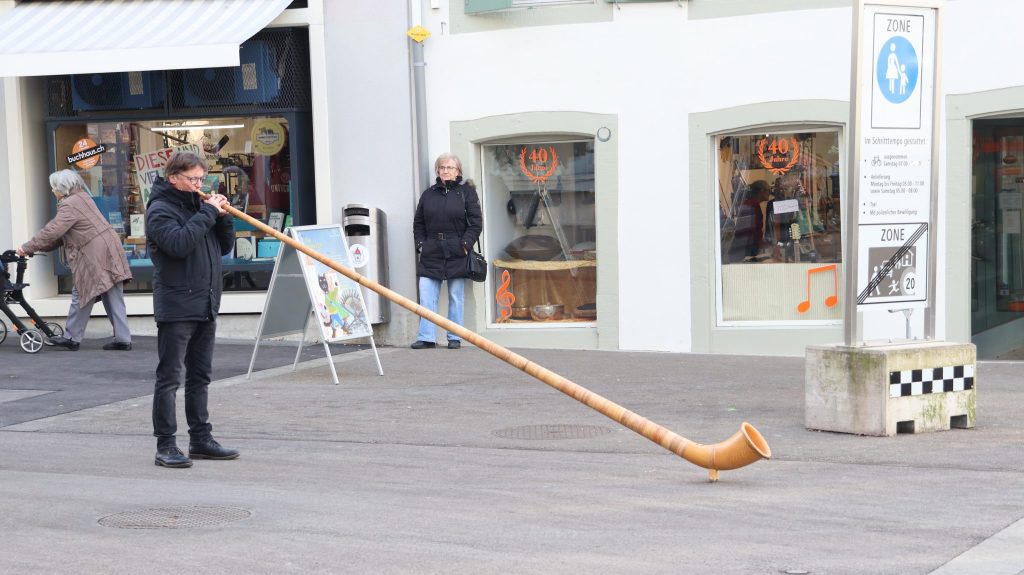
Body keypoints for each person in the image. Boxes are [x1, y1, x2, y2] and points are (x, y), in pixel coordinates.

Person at [145, 151, 238, 468]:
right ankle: (166, 445)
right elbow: (179, 244)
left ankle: (200, 439)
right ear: (173, 178)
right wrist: (209, 213)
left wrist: (224, 217)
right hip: (177, 304)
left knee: (200, 376)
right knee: (169, 377)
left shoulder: (200, 207)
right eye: (193, 179)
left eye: (202, 179)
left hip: (206, 301)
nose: (200, 184)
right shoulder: (160, 210)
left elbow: (223, 248)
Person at [17, 169, 132, 351]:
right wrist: (39, 247)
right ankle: (123, 338)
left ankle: (71, 337)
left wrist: (26, 247)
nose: (52, 191)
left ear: (60, 188)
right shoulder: (82, 198)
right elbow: (62, 235)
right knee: (112, 292)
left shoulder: (69, 204)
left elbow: (53, 230)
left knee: (81, 291)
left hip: (94, 252)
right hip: (109, 248)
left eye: (53, 188)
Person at [411, 153, 482, 349]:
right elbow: (419, 223)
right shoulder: (428, 194)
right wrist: (421, 245)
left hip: (457, 250)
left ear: (458, 171)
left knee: (456, 297)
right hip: (431, 249)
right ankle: (426, 337)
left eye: (450, 167)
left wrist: (466, 245)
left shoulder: (466, 193)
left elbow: (476, 224)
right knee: (426, 296)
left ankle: (454, 337)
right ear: (437, 171)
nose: (445, 170)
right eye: (442, 167)